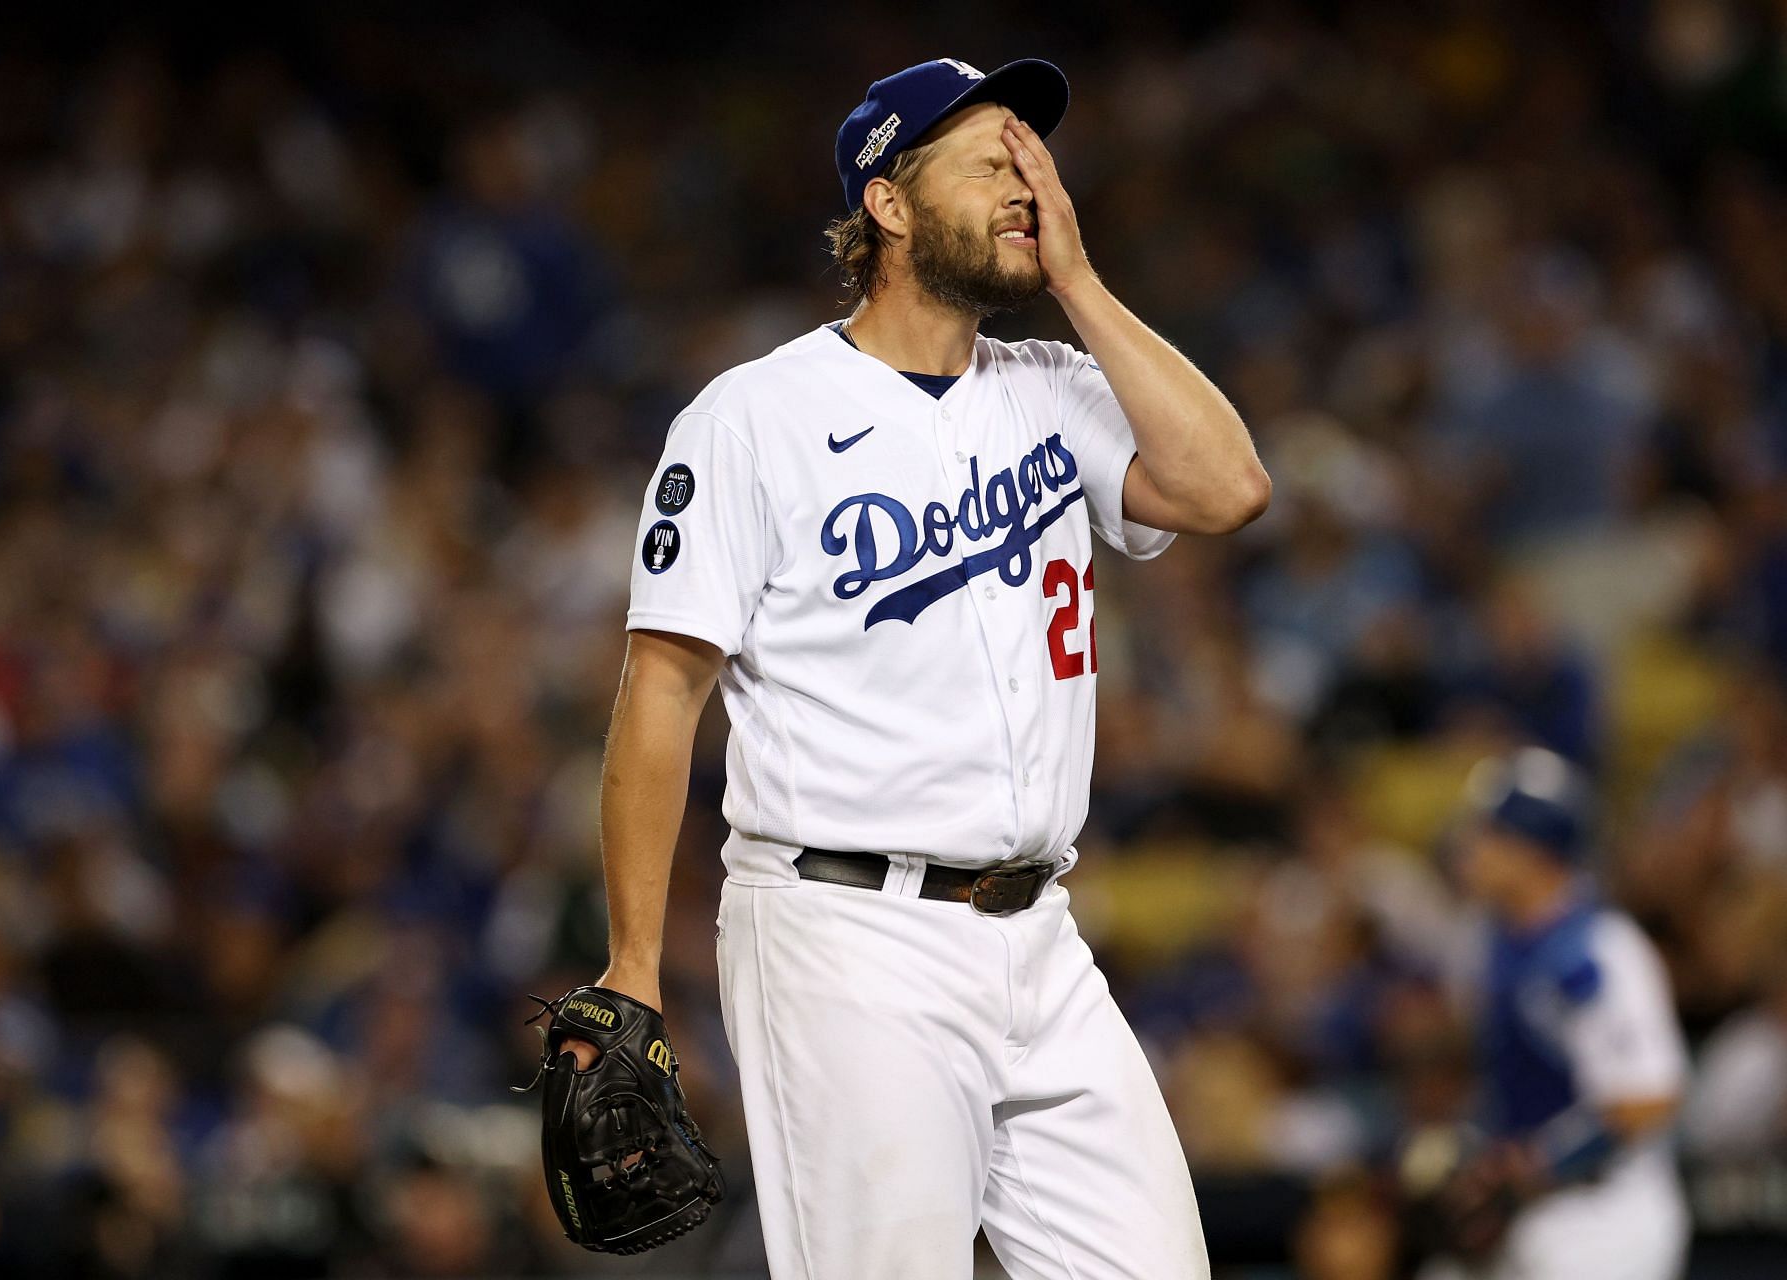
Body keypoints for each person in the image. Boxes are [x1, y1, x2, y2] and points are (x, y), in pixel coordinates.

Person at [569, 57, 1266, 1277]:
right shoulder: (752, 416)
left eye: (1034, 162)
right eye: (993, 161)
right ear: (888, 204)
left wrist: (1082, 283)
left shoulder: (1056, 388)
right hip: (847, 937)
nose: (1027, 187)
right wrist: (633, 960)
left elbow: (1229, 488)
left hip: (1040, 933)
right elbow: (662, 691)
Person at [1425, 747, 1691, 1280]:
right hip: (1537, 1211)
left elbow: (1647, 1100)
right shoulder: (1494, 940)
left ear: (1532, 849)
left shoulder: (1597, 949)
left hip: (1605, 1215)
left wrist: (1536, 1164)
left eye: (1488, 834)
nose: (1470, 848)